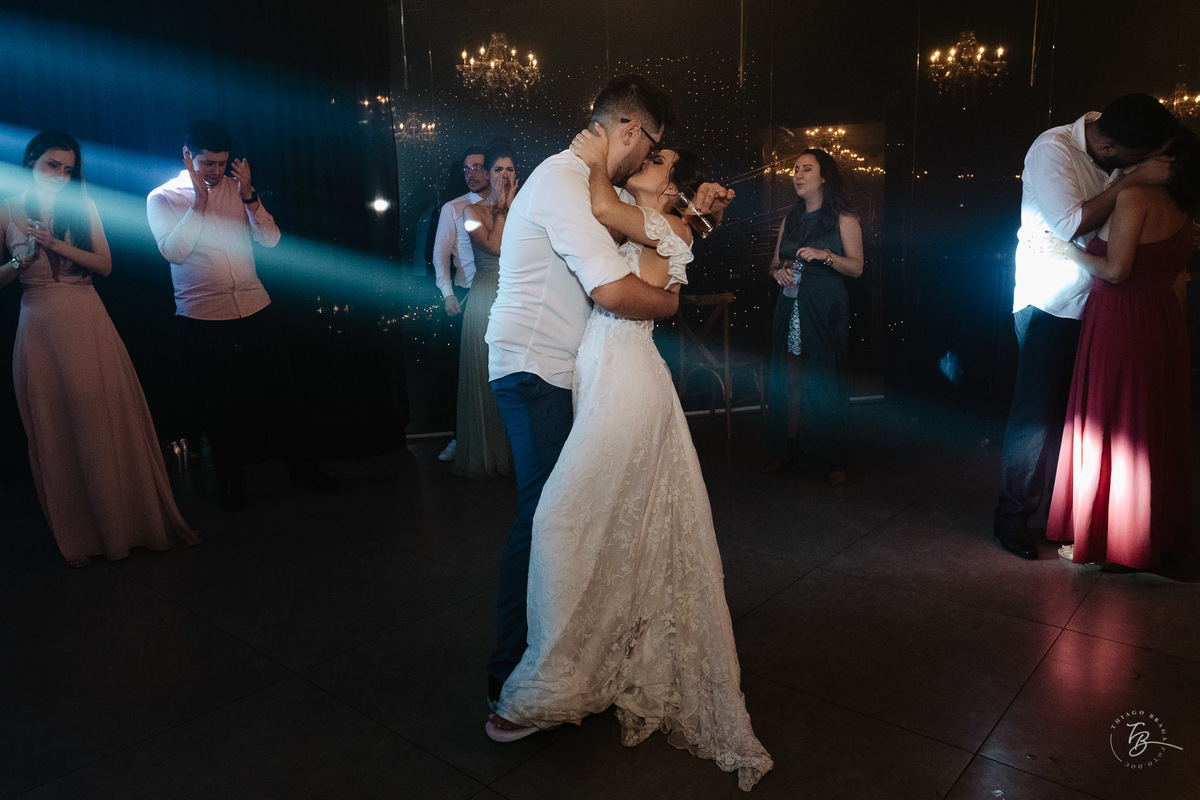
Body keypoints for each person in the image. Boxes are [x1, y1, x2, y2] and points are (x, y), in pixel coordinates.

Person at [485, 126, 772, 791]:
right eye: (651, 150)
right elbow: (647, 235)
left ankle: (555, 680)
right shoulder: (658, 221)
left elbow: (611, 218)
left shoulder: (647, 217)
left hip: (625, 382)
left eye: (659, 159)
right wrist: (697, 217)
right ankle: (598, 657)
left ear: (668, 186)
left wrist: (594, 157)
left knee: (561, 520)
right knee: (603, 522)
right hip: (606, 375)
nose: (648, 161)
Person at [0, 131, 199, 567]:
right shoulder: (6, 208)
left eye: (68, 170)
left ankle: (125, 528)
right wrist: (20, 260)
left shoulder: (83, 206)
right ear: (31, 161)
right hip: (39, 322)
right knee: (53, 426)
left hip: (86, 316)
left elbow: (105, 265)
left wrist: (57, 245)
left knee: (100, 420)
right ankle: (82, 536)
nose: (60, 175)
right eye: (52, 165)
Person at [993, 94, 1177, 560]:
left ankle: (1071, 518)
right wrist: (1132, 180)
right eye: (1138, 157)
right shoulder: (1052, 149)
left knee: (1084, 420)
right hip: (1053, 303)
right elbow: (1070, 225)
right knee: (1038, 416)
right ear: (1111, 148)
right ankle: (1012, 516)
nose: (1145, 164)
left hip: (1103, 306)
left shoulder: (1117, 148)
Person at [147, 120, 334, 511]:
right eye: (207, 163)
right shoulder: (162, 197)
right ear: (188, 156)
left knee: (286, 392)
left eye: (222, 163)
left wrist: (249, 195)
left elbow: (271, 240)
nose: (215, 171)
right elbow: (174, 253)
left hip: (254, 303)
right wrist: (199, 202)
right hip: (203, 314)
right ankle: (230, 483)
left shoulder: (237, 188)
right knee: (222, 405)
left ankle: (303, 466)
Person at [1046, 127, 1197, 569]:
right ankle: (1148, 534)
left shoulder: (1135, 198)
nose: (1132, 159)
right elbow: (1176, 277)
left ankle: (1110, 540)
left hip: (1122, 318)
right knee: (1148, 426)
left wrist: (1064, 250)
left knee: (1111, 422)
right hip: (1162, 319)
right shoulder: (1182, 207)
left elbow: (1115, 271)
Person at [762, 149, 864, 486]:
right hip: (790, 306)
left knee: (824, 377)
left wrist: (826, 255)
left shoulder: (844, 218)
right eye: (795, 169)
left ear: (824, 177)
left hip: (824, 307)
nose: (798, 175)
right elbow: (774, 264)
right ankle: (786, 449)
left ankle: (831, 458)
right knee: (789, 377)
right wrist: (778, 272)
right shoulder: (789, 220)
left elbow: (857, 268)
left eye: (807, 169)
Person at [453, 140, 516, 478]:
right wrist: (503, 210)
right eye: (498, 169)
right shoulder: (470, 213)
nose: (504, 175)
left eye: (510, 169)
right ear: (487, 174)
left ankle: (518, 454)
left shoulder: (526, 209)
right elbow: (493, 247)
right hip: (486, 296)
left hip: (518, 295)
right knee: (486, 374)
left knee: (517, 374)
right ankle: (490, 454)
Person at [431, 146, 490, 462]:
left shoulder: (505, 205)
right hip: (466, 297)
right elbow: (440, 254)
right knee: (465, 375)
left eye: (477, 166)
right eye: (466, 169)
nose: (471, 174)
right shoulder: (453, 208)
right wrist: (447, 294)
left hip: (501, 294)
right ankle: (461, 437)